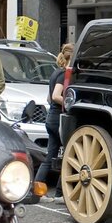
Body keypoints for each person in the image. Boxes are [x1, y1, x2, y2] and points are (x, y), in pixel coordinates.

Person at [35, 43, 74, 201]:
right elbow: (56, 96)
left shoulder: (55, 72)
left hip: (52, 117)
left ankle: (40, 190)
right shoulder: (63, 74)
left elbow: (48, 97)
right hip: (58, 118)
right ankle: (60, 193)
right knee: (66, 155)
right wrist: (70, 101)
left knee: (52, 156)